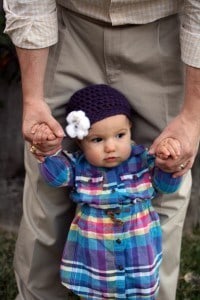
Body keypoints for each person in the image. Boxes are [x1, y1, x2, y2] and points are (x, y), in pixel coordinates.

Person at [3, 1, 200, 300]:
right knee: (46, 197)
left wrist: (192, 116)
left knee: (169, 173)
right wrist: (32, 98)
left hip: (164, 32)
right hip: (67, 27)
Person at [32, 84, 182, 300]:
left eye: (120, 135)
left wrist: (168, 166)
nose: (110, 147)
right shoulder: (78, 167)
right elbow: (56, 178)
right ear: (80, 141)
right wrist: (49, 152)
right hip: (96, 258)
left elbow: (166, 187)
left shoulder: (144, 161)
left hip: (138, 256)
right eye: (97, 140)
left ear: (130, 128)